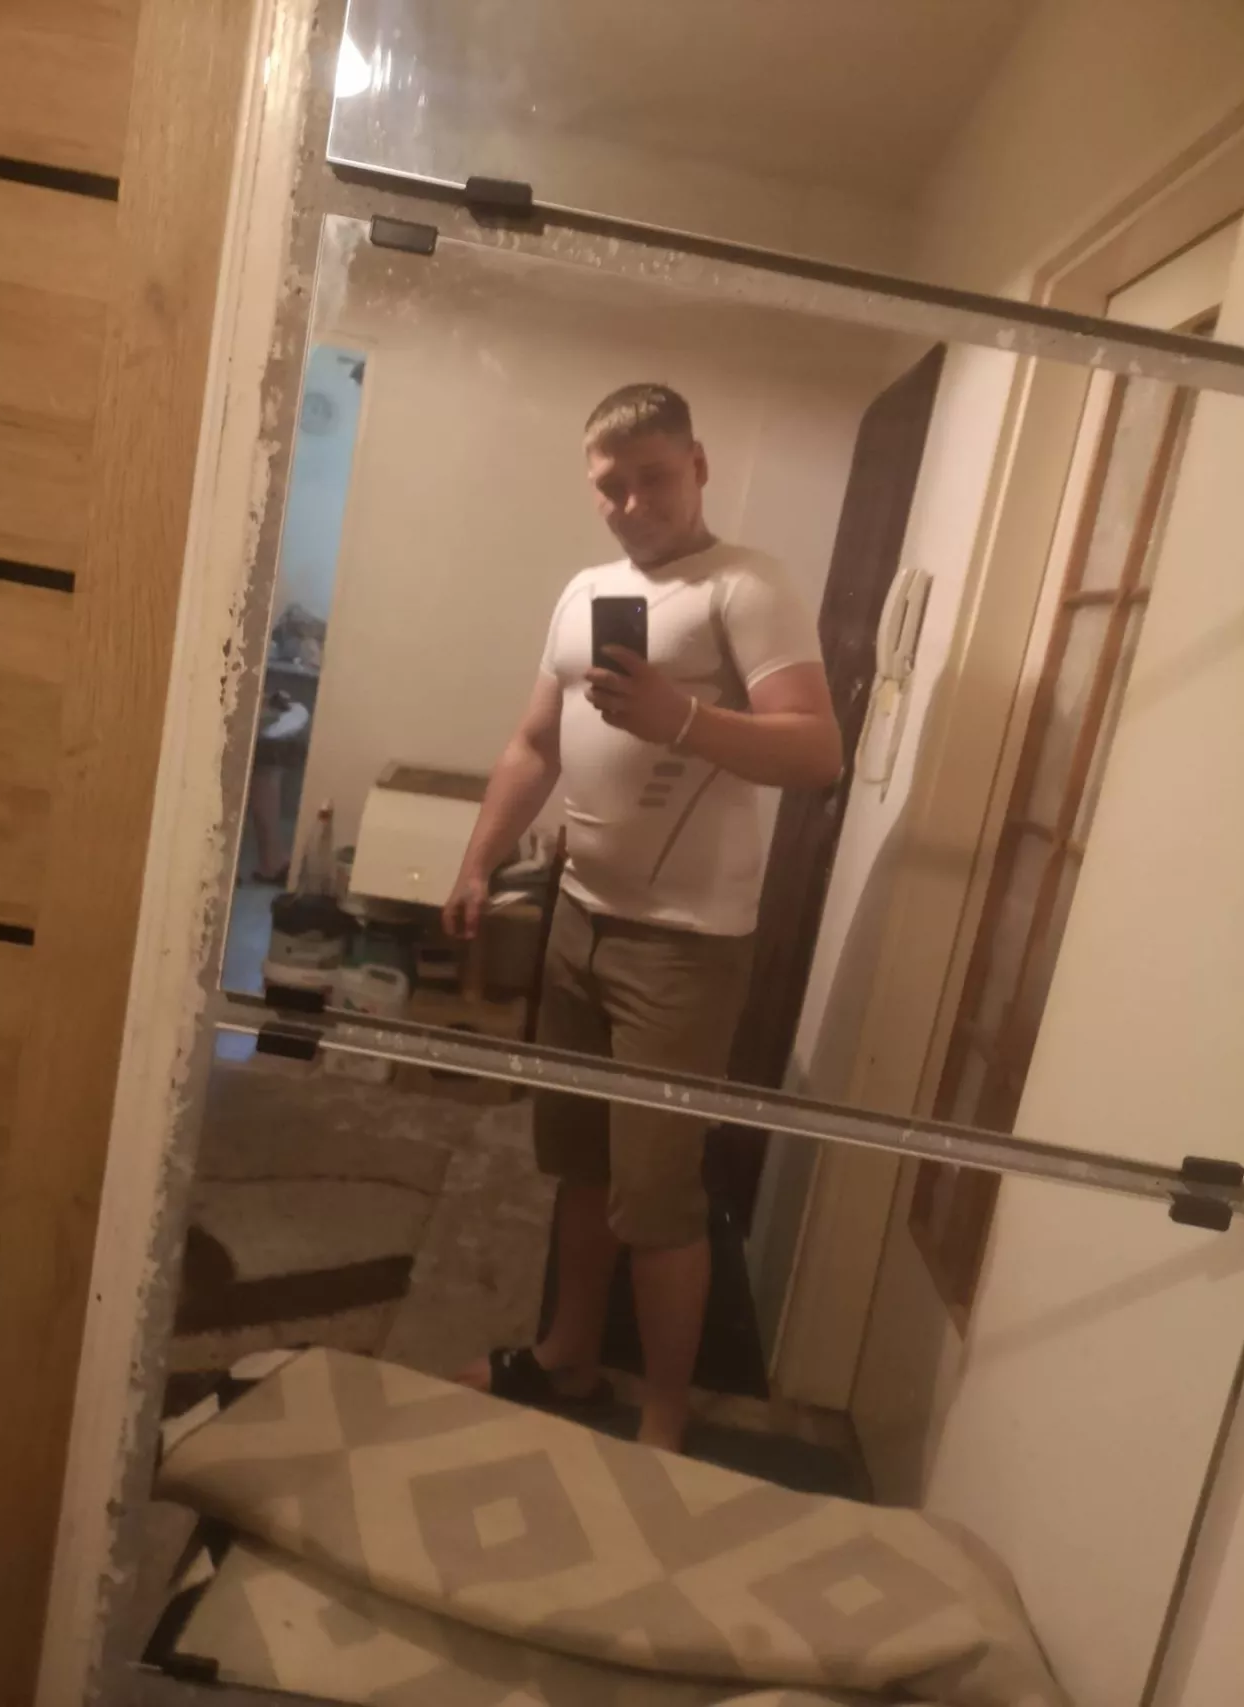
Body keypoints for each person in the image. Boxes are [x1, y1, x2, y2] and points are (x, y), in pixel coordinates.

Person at [443, 383, 842, 1450]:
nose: (630, 504)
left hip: (684, 945)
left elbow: (816, 750)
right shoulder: (585, 592)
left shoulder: (745, 585)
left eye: (652, 477)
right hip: (579, 915)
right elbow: (534, 744)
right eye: (608, 486)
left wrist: (682, 718)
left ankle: (662, 1425)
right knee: (579, 1162)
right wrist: (479, 860)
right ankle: (569, 1356)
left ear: (697, 465)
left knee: (657, 1196)